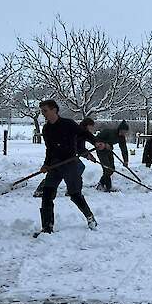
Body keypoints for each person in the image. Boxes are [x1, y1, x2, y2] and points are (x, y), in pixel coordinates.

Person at [37, 100, 106, 236]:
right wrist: (46, 164)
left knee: (75, 195)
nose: (43, 114)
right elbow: (49, 149)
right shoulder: (46, 129)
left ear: (54, 110)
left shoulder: (68, 124)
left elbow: (85, 134)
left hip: (70, 163)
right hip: (55, 165)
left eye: (45, 110)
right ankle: (47, 227)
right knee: (47, 194)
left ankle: (90, 217)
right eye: (42, 111)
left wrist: (96, 142)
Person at [33, 117, 95, 198]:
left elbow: (80, 148)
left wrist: (88, 155)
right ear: (87, 125)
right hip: (61, 153)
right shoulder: (79, 132)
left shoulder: (81, 131)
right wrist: (87, 155)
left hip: (66, 154)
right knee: (62, 170)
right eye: (92, 126)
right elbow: (79, 148)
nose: (92, 128)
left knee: (76, 168)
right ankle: (43, 189)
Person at [95, 120, 129, 192]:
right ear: (121, 130)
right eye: (125, 131)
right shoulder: (108, 132)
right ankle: (108, 187)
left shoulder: (121, 138)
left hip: (109, 151)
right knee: (107, 169)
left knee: (112, 168)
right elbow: (96, 139)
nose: (125, 133)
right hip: (101, 151)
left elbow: (124, 149)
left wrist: (125, 160)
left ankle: (101, 183)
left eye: (126, 132)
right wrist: (104, 143)